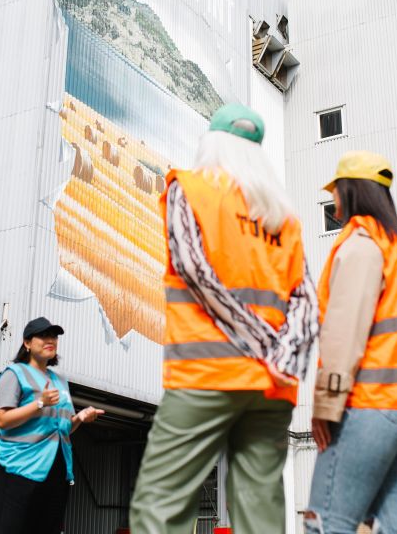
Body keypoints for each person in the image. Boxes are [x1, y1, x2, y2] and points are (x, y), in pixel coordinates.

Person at [129, 103, 319, 534]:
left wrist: (256, 345)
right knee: (260, 510)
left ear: (211, 143)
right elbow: (306, 299)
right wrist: (281, 356)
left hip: (207, 373)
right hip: (274, 387)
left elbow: (194, 269)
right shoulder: (283, 217)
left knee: (160, 506)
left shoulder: (190, 188)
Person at [304, 151, 397, 534]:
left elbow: (345, 333)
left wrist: (327, 404)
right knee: (396, 527)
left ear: (349, 191)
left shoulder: (361, 245)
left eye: (334, 192)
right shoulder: (395, 248)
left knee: (325, 521)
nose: (333, 203)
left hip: (374, 402)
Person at [0, 316, 104, 534]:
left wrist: (79, 418)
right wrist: (40, 402)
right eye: (43, 335)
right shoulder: (14, 374)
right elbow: (2, 419)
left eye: (53, 336)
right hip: (21, 465)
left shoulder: (60, 380)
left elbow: (63, 428)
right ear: (27, 343)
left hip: (57, 466)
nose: (50, 340)